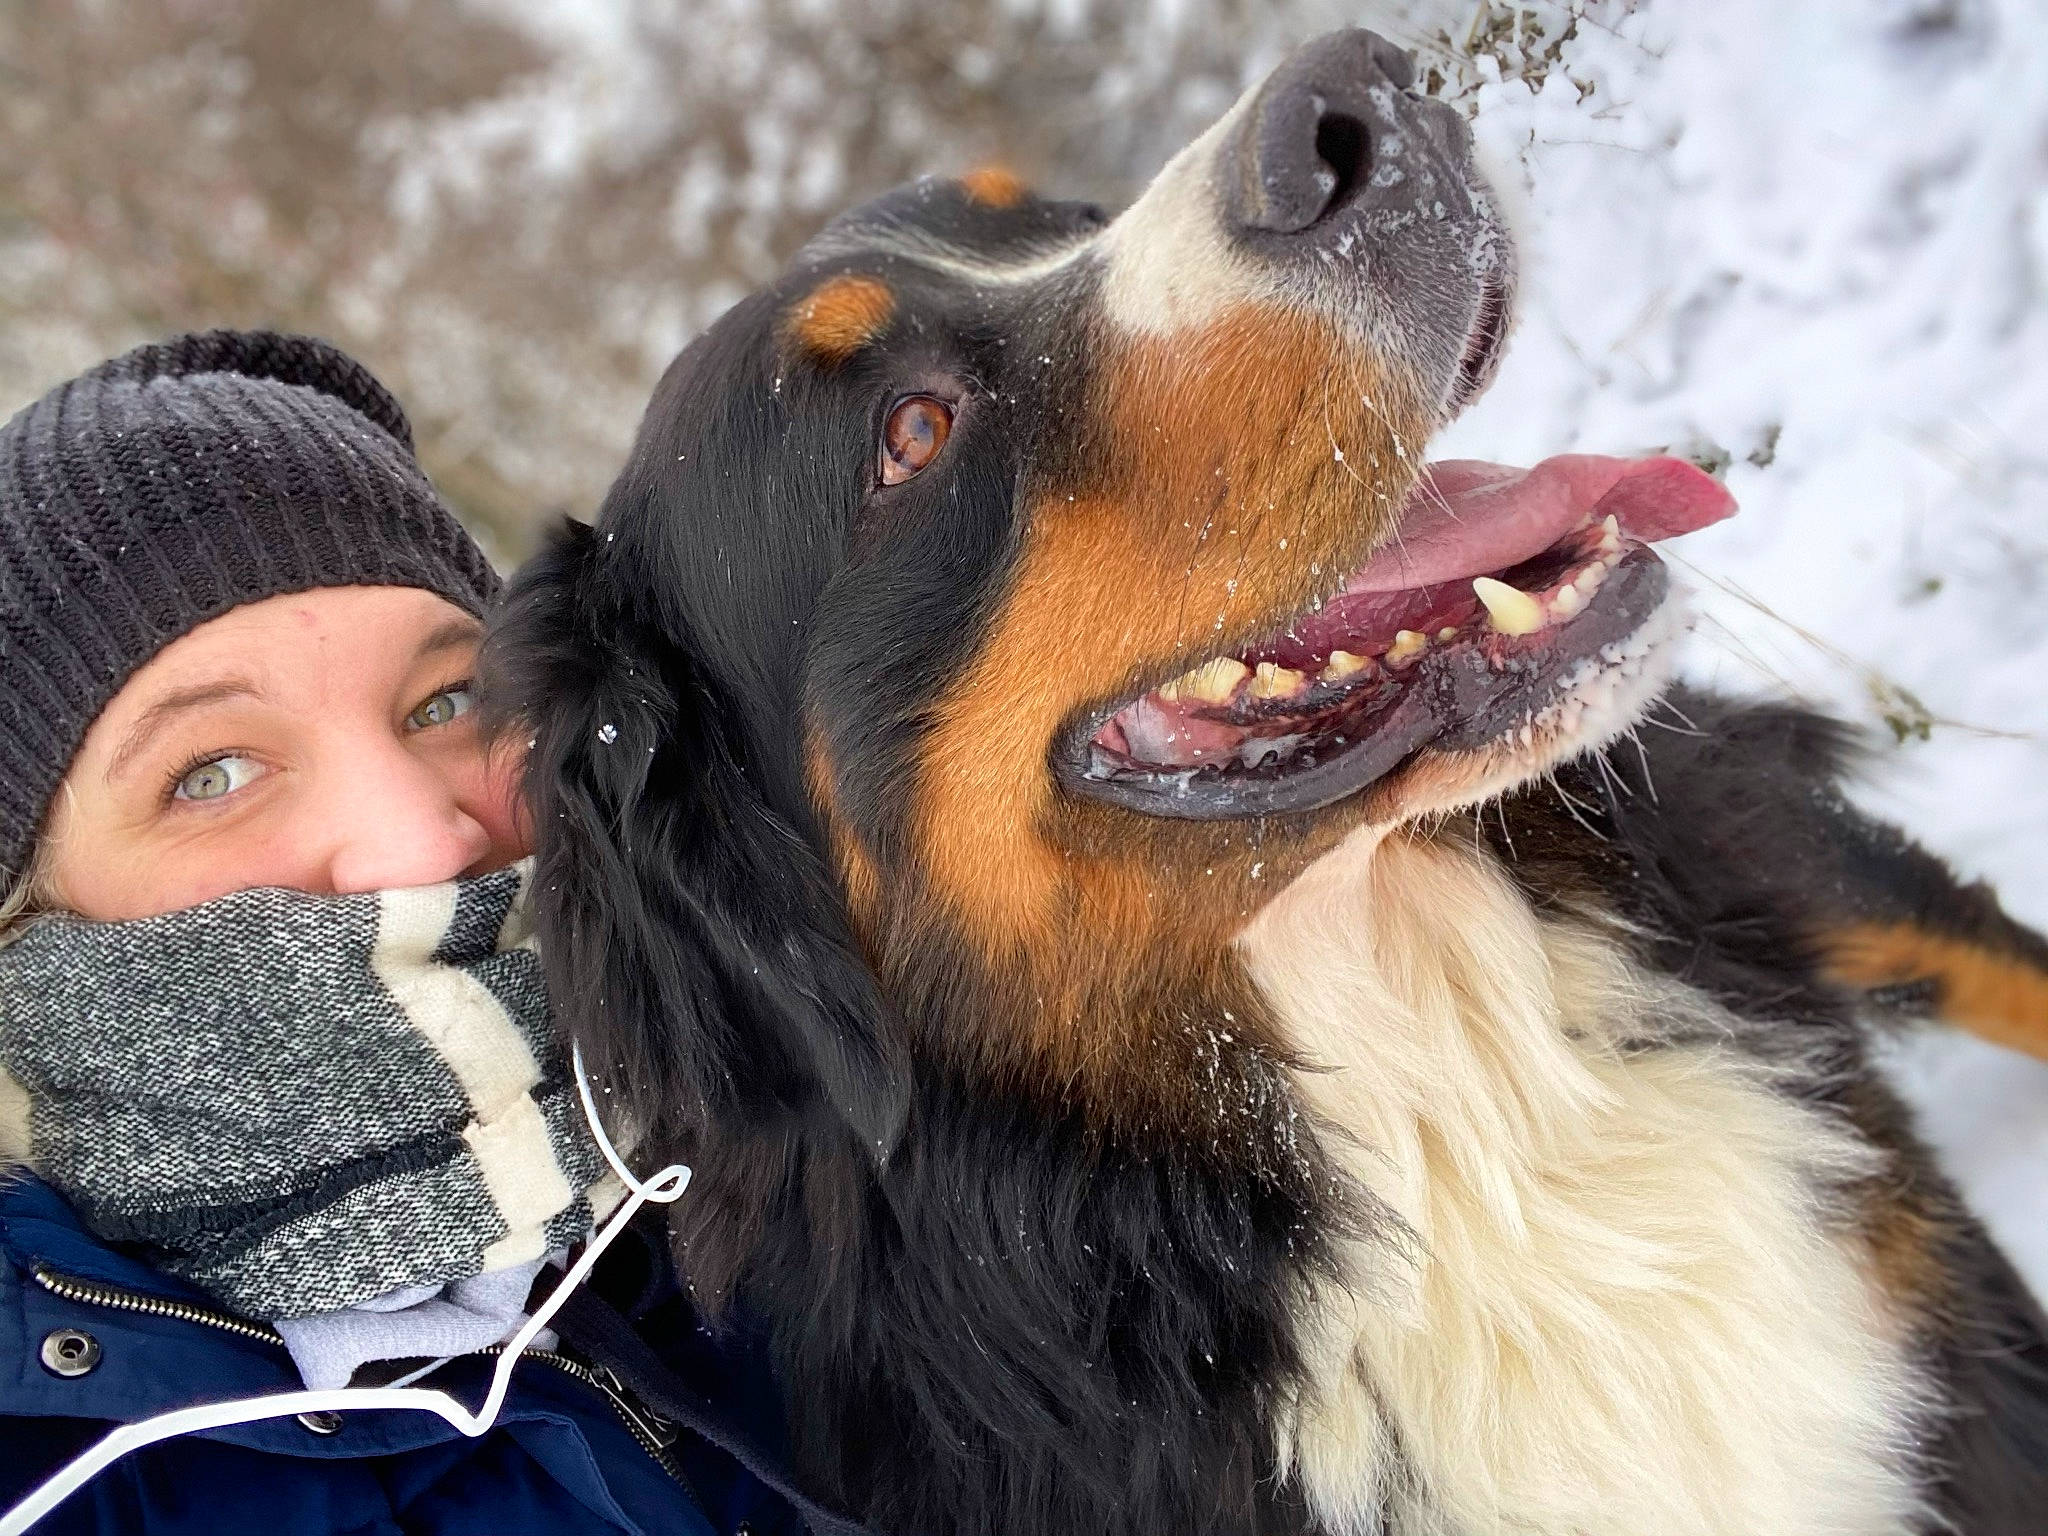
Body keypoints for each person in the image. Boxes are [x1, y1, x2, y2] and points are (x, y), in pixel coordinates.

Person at [0, 332, 845, 1536]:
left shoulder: (873, 1130)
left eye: (446, 701)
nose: (419, 844)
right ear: (32, 919)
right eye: (214, 772)